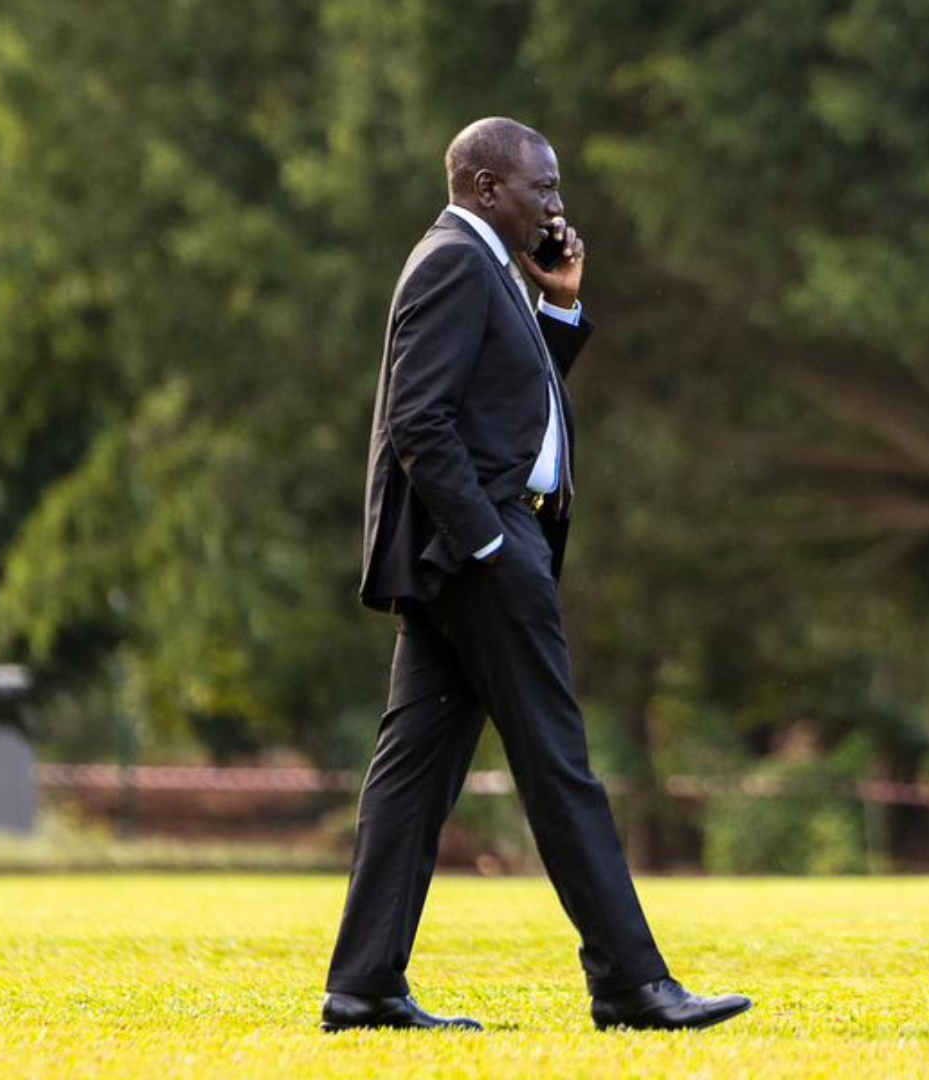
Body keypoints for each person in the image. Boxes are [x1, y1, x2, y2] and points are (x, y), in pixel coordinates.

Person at [319, 117, 750, 1034]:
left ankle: (363, 988)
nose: (557, 205)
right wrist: (485, 543)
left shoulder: (493, 270)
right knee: (559, 764)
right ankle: (631, 984)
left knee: (413, 776)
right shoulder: (451, 264)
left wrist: (557, 307)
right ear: (483, 187)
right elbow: (419, 422)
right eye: (541, 188)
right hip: (479, 552)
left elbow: (506, 405)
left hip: (479, 548)